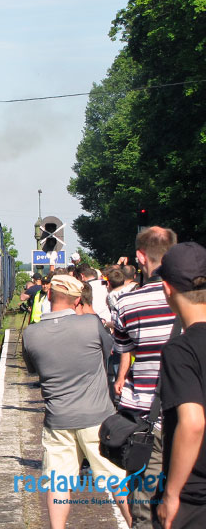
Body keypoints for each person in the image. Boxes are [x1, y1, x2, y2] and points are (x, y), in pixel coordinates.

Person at [22, 274, 131, 528]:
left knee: (59, 484)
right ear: (78, 300)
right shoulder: (92, 326)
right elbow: (109, 354)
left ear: (49, 295)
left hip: (58, 419)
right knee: (117, 480)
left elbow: (32, 368)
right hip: (98, 418)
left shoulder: (31, 334)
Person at [112, 226, 178, 527]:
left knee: (145, 511)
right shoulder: (195, 302)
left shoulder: (126, 304)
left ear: (140, 257)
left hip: (146, 423)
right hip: (188, 417)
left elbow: (123, 353)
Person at [154, 242, 206, 528]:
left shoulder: (180, 350)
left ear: (167, 288)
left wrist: (172, 495)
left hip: (194, 498)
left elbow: (193, 422)